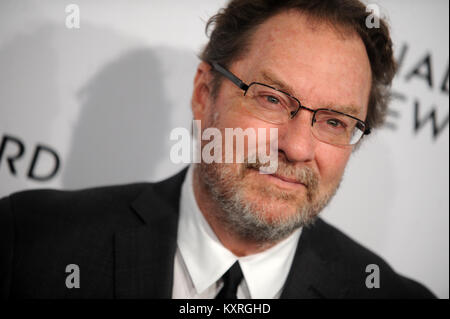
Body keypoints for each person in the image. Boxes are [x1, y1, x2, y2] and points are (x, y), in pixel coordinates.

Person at [0, 0, 435, 299]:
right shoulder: (31, 242)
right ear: (204, 92)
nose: (298, 147)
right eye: (271, 98)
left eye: (335, 122)